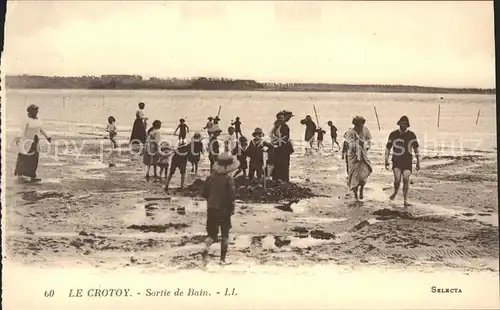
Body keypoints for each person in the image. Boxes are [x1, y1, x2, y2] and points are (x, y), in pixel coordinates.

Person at [201, 152, 239, 266]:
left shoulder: (210, 178)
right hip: (224, 210)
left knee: (212, 235)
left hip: (212, 208)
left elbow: (204, 193)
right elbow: (232, 196)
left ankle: (206, 249)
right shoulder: (229, 179)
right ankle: (222, 260)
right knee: (225, 235)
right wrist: (231, 208)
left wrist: (211, 200)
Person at [385, 116, 420, 207]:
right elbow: (388, 148)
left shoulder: (412, 135)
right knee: (397, 179)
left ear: (407, 125)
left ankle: (405, 200)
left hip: (407, 161)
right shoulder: (393, 134)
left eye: (404, 124)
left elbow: (416, 149)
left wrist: (418, 162)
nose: (402, 126)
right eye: (401, 124)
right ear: (399, 124)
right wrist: (386, 160)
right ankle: (395, 191)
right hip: (396, 160)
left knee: (405, 178)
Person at [13, 104, 52, 182]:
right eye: (35, 110)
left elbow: (41, 128)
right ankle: (20, 175)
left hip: (36, 141)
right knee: (24, 158)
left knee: (34, 158)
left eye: (37, 110)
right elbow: (22, 130)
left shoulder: (38, 118)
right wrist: (18, 137)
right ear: (30, 111)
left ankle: (32, 175)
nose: (37, 111)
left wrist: (47, 136)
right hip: (27, 142)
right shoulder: (26, 119)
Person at [344, 116, 372, 201]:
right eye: (357, 125)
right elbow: (348, 144)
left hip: (363, 155)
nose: (360, 127)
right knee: (353, 176)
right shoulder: (350, 132)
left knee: (363, 175)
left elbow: (369, 141)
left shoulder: (366, 130)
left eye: (361, 125)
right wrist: (356, 144)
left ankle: (362, 189)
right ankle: (356, 194)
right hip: (353, 157)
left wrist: (365, 145)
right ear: (354, 124)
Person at [270, 111, 294, 182]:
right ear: (277, 118)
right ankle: (277, 178)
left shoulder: (285, 127)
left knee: (284, 163)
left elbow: (285, 137)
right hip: (277, 147)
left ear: (284, 119)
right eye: (279, 118)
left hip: (284, 147)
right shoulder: (276, 126)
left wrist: (277, 142)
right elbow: (272, 135)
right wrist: (274, 142)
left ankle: (285, 179)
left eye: (282, 118)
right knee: (277, 162)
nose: (281, 119)